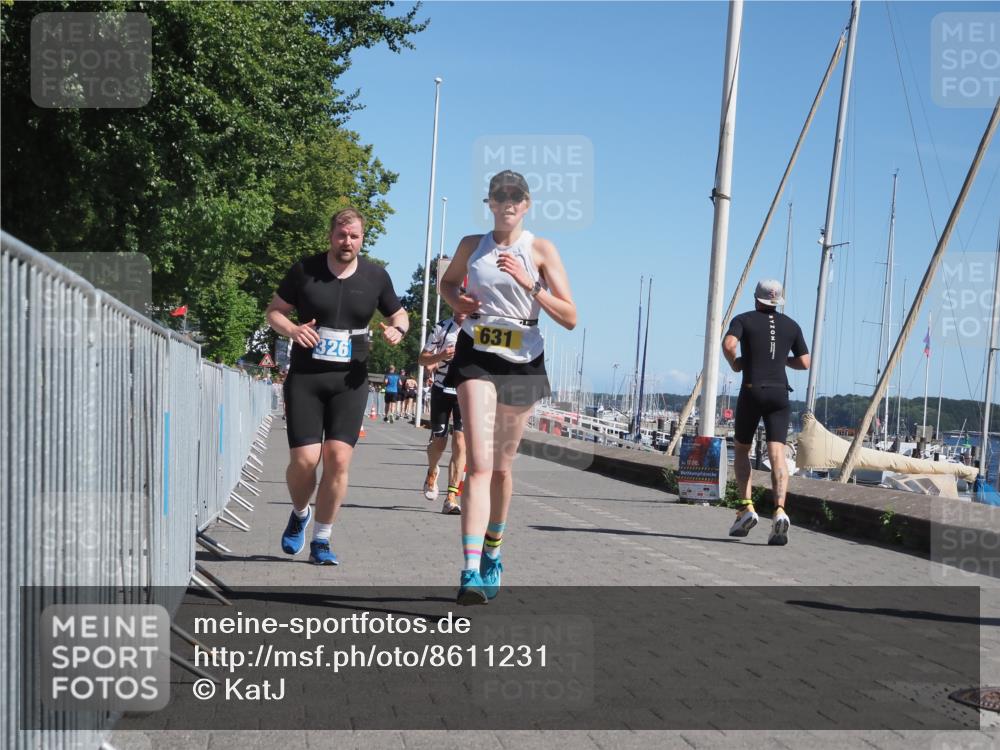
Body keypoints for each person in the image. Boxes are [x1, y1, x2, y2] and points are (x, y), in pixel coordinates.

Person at [439, 170, 577, 604]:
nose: (508, 203)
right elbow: (447, 282)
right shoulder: (470, 245)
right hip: (477, 352)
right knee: (478, 466)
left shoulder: (540, 249)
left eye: (515, 197)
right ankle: (468, 572)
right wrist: (455, 300)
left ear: (527, 204)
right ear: (490, 203)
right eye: (500, 196)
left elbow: (570, 316)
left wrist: (530, 283)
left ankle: (493, 552)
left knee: (501, 468)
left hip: (523, 357)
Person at [265, 207, 408, 565]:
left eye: (354, 236)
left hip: (351, 380)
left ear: (362, 239)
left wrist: (398, 329)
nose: (347, 242)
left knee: (338, 459)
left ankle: (322, 540)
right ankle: (300, 512)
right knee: (304, 460)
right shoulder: (304, 270)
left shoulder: (376, 277)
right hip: (307, 377)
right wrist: (293, 330)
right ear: (331, 236)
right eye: (342, 235)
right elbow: (274, 312)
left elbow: (399, 313)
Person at [722, 279, 810, 545]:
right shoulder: (791, 325)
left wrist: (736, 363)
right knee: (778, 455)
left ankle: (746, 507)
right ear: (778, 300)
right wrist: (781, 359)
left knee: (740, 449)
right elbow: (805, 362)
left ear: (756, 299)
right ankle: (780, 510)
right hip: (780, 393)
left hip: (752, 390)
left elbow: (728, 344)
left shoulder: (743, 319)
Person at [418, 312, 469, 514]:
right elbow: (422, 358)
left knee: (460, 442)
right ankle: (432, 470)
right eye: (459, 303)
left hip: (465, 391)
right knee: (439, 443)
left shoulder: (478, 328)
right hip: (441, 389)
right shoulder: (441, 327)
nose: (463, 309)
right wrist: (440, 356)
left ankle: (451, 497)